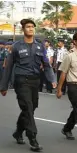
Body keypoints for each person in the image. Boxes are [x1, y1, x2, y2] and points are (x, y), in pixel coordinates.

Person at [0, 19, 56, 152]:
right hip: (21, 81)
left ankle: (18, 131)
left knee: (32, 107)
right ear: (23, 30)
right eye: (28, 27)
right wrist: (4, 86)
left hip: (35, 81)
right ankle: (32, 138)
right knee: (28, 107)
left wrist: (51, 79)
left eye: (32, 27)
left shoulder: (40, 46)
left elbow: (46, 64)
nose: (31, 29)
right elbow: (8, 67)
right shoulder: (16, 46)